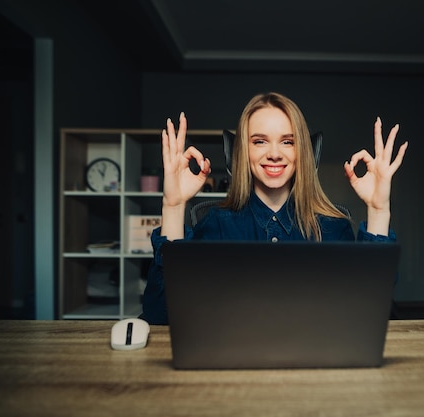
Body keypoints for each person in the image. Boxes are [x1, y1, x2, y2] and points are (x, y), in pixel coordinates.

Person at [141, 92, 408, 324]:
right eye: (259, 141)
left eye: (287, 141)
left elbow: (367, 313)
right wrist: (173, 206)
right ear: (243, 151)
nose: (274, 153)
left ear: (302, 151)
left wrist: (378, 209)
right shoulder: (216, 225)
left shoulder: (333, 227)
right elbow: (162, 317)